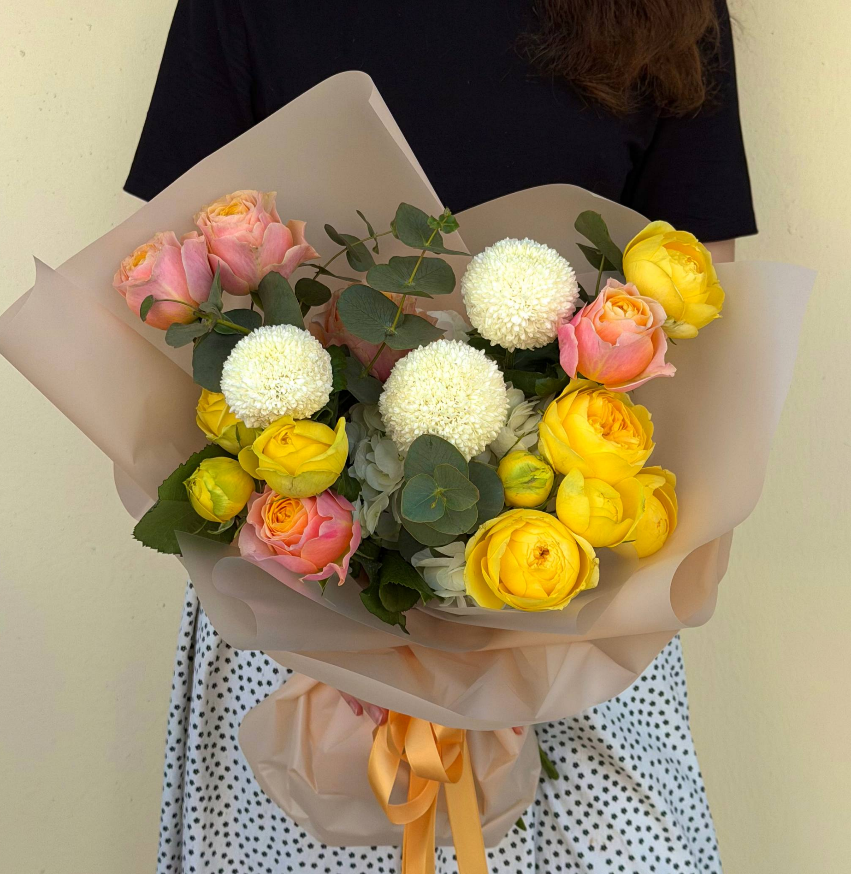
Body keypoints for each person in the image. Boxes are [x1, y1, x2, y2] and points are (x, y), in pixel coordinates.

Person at [125, 2, 756, 871]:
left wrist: (511, 614)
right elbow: (175, 292)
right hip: (300, 602)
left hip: (574, 609)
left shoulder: (664, 9)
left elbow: (699, 313)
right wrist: (358, 611)